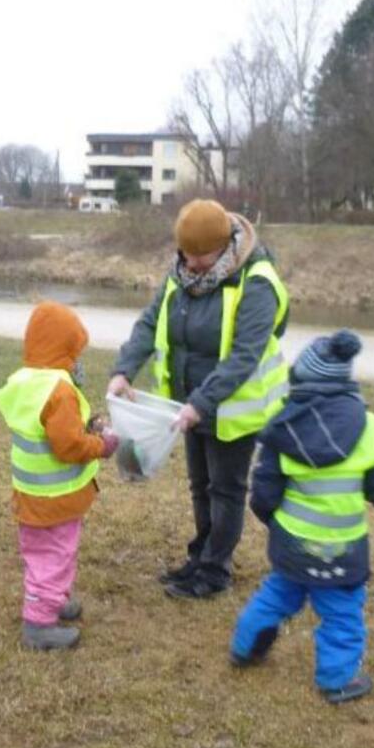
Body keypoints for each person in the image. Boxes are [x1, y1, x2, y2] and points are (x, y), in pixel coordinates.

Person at [229, 330, 374, 703]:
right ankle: (337, 680)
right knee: (342, 616)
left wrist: (275, 522)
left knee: (276, 596)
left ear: (299, 378)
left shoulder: (282, 424)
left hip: (292, 543)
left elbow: (263, 492)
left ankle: (245, 649)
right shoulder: (369, 426)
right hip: (343, 550)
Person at [107, 199, 289, 599]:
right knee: (200, 485)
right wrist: (124, 370)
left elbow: (244, 355)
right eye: (185, 253)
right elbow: (150, 321)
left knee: (225, 489)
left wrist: (201, 404)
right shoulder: (181, 274)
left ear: (222, 248)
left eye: (199, 256)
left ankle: (214, 570)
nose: (190, 263)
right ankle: (200, 555)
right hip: (188, 406)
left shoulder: (257, 282)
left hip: (234, 410)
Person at [0, 302, 120, 650]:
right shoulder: (59, 390)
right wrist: (102, 445)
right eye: (75, 352)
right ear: (64, 349)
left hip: (31, 495)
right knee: (54, 556)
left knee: (43, 551)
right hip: (56, 498)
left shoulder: (29, 380)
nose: (78, 360)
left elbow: (50, 429)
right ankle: (39, 624)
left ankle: (52, 599)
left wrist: (86, 425)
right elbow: (68, 445)